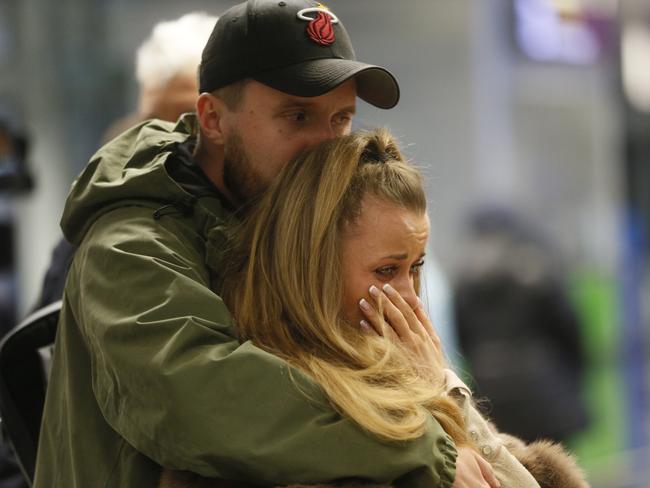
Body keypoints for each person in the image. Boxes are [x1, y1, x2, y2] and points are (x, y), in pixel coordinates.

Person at [33, 1, 480, 487]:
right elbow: (199, 398)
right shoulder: (129, 244)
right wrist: (421, 446)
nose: (327, 148)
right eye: (297, 116)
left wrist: (431, 391)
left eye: (341, 119)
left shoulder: (279, 228)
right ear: (213, 119)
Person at [160, 129, 589, 488]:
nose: (407, 295)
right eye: (386, 270)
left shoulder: (404, 375)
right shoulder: (273, 402)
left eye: (416, 267)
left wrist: (442, 396)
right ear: (312, 269)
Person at [33, 11, 218, 310]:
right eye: (154, 121)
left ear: (217, 117)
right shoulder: (108, 195)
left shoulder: (251, 195)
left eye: (188, 118)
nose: (170, 137)